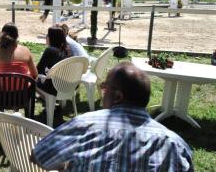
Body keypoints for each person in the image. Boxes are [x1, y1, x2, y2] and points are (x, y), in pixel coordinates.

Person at [30, 62, 194, 171]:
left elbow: (38, 156)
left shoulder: (84, 125)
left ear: (117, 97)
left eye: (104, 87)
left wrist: (66, 166)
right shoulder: (175, 146)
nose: (102, 92)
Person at [36, 26, 71, 95]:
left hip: (55, 87)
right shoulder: (67, 49)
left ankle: (45, 99)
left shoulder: (50, 50)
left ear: (51, 38)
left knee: (31, 80)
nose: (47, 37)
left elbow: (38, 70)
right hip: (69, 85)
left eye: (48, 35)